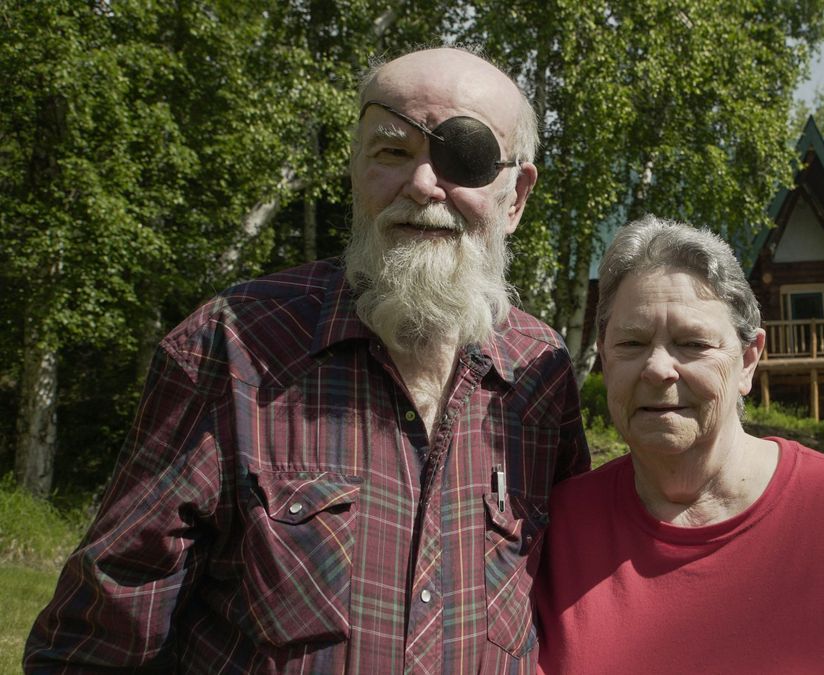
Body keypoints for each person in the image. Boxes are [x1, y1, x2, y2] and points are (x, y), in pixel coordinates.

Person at [25, 46, 589, 673]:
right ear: (356, 171)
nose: (425, 183)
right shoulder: (233, 346)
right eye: (393, 152)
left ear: (515, 198)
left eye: (466, 158)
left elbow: (574, 604)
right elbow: (97, 642)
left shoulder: (540, 373)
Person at [534, 216, 824, 674]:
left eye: (691, 343)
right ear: (605, 357)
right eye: (631, 343)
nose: (657, 368)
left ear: (749, 360)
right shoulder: (555, 530)